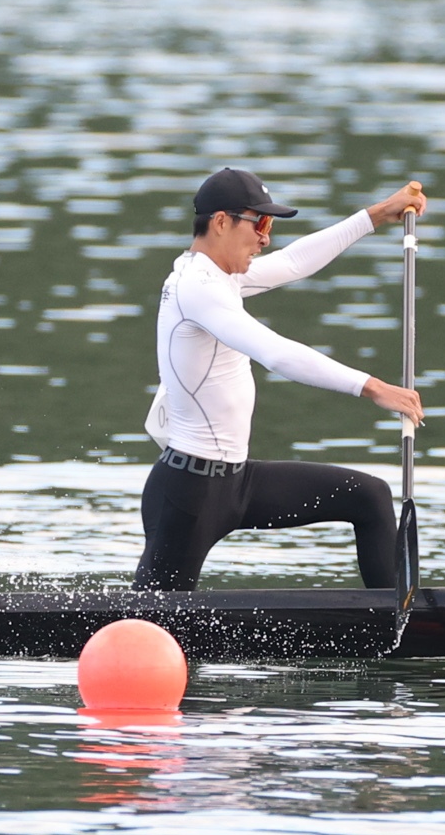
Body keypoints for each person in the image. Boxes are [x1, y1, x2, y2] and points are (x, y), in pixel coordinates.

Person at [136, 167, 428, 592]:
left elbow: (293, 262)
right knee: (152, 620)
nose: (265, 239)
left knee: (369, 496)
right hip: (188, 495)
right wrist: (373, 386)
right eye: (260, 224)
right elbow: (276, 353)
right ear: (222, 222)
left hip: (237, 484)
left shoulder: (222, 277)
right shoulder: (194, 287)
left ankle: (396, 618)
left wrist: (378, 214)